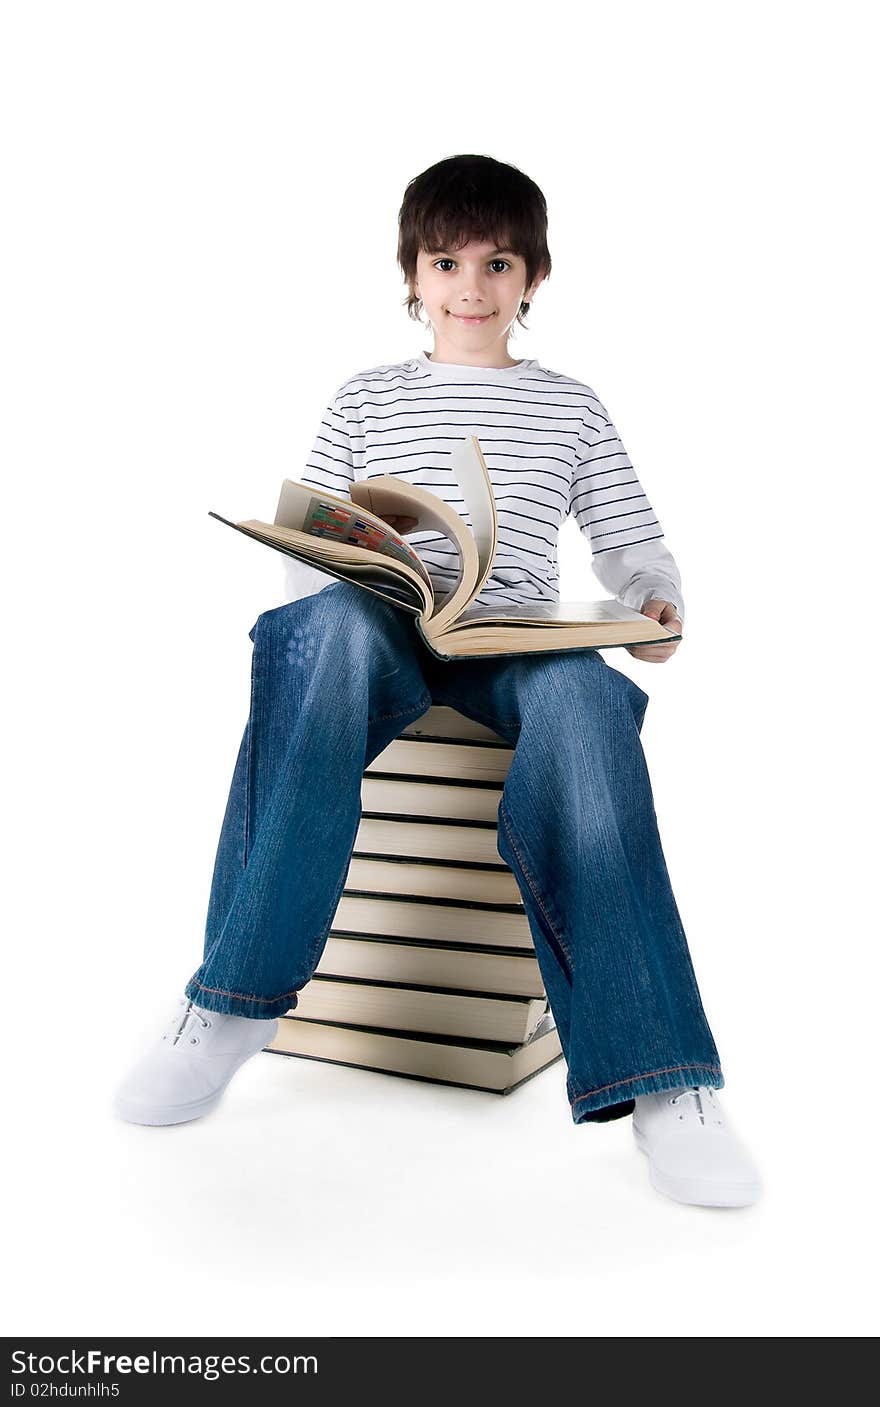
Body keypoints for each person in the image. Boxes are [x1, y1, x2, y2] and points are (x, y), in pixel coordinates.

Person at [114, 154, 761, 1210]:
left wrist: (655, 609)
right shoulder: (366, 393)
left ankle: (665, 1080)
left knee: (586, 701)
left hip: (511, 641)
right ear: (412, 274)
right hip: (385, 629)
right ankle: (229, 1007)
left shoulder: (569, 406)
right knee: (318, 630)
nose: (470, 286)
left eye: (496, 262)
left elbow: (633, 546)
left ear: (532, 278)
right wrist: (366, 566)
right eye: (446, 261)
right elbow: (308, 536)